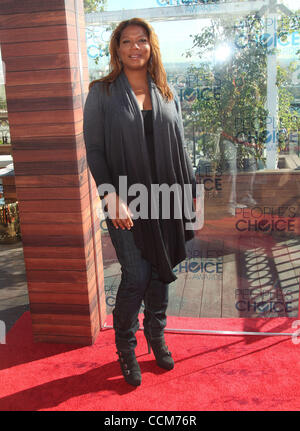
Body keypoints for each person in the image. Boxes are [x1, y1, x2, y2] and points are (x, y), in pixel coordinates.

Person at [83, 18, 197, 387]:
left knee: (161, 272)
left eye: (142, 41)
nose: (135, 47)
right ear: (117, 49)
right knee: (137, 277)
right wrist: (109, 195)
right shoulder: (101, 92)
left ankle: (156, 334)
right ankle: (126, 348)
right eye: (127, 41)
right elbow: (95, 150)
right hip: (125, 200)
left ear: (151, 46)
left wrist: (190, 192)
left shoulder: (166, 89)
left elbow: (180, 146)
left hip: (166, 197)